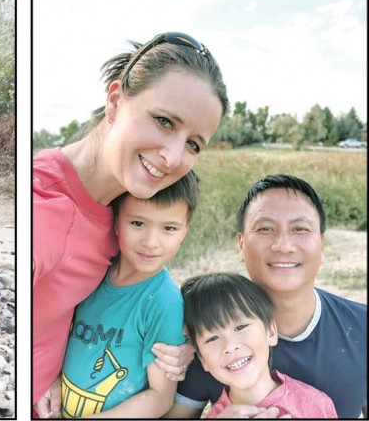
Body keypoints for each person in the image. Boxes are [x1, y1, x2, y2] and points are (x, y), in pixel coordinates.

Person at [33, 31, 229, 418]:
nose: (173, 157)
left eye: (194, 144)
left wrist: (174, 341)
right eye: (163, 121)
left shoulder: (122, 209)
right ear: (115, 100)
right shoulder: (41, 206)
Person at [166, 174, 367, 418]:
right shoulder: (204, 331)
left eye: (300, 229)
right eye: (265, 229)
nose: (283, 245)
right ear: (241, 244)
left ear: (321, 245)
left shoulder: (362, 327)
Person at [59, 170, 199, 418]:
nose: (151, 242)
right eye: (137, 223)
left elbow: (160, 397)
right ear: (115, 221)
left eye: (169, 228)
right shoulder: (92, 272)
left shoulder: (164, 303)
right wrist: (52, 382)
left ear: (185, 230)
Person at [180, 272, 337, 418]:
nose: (230, 346)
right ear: (202, 359)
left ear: (270, 331)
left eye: (240, 327)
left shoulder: (316, 404)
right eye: (212, 338)